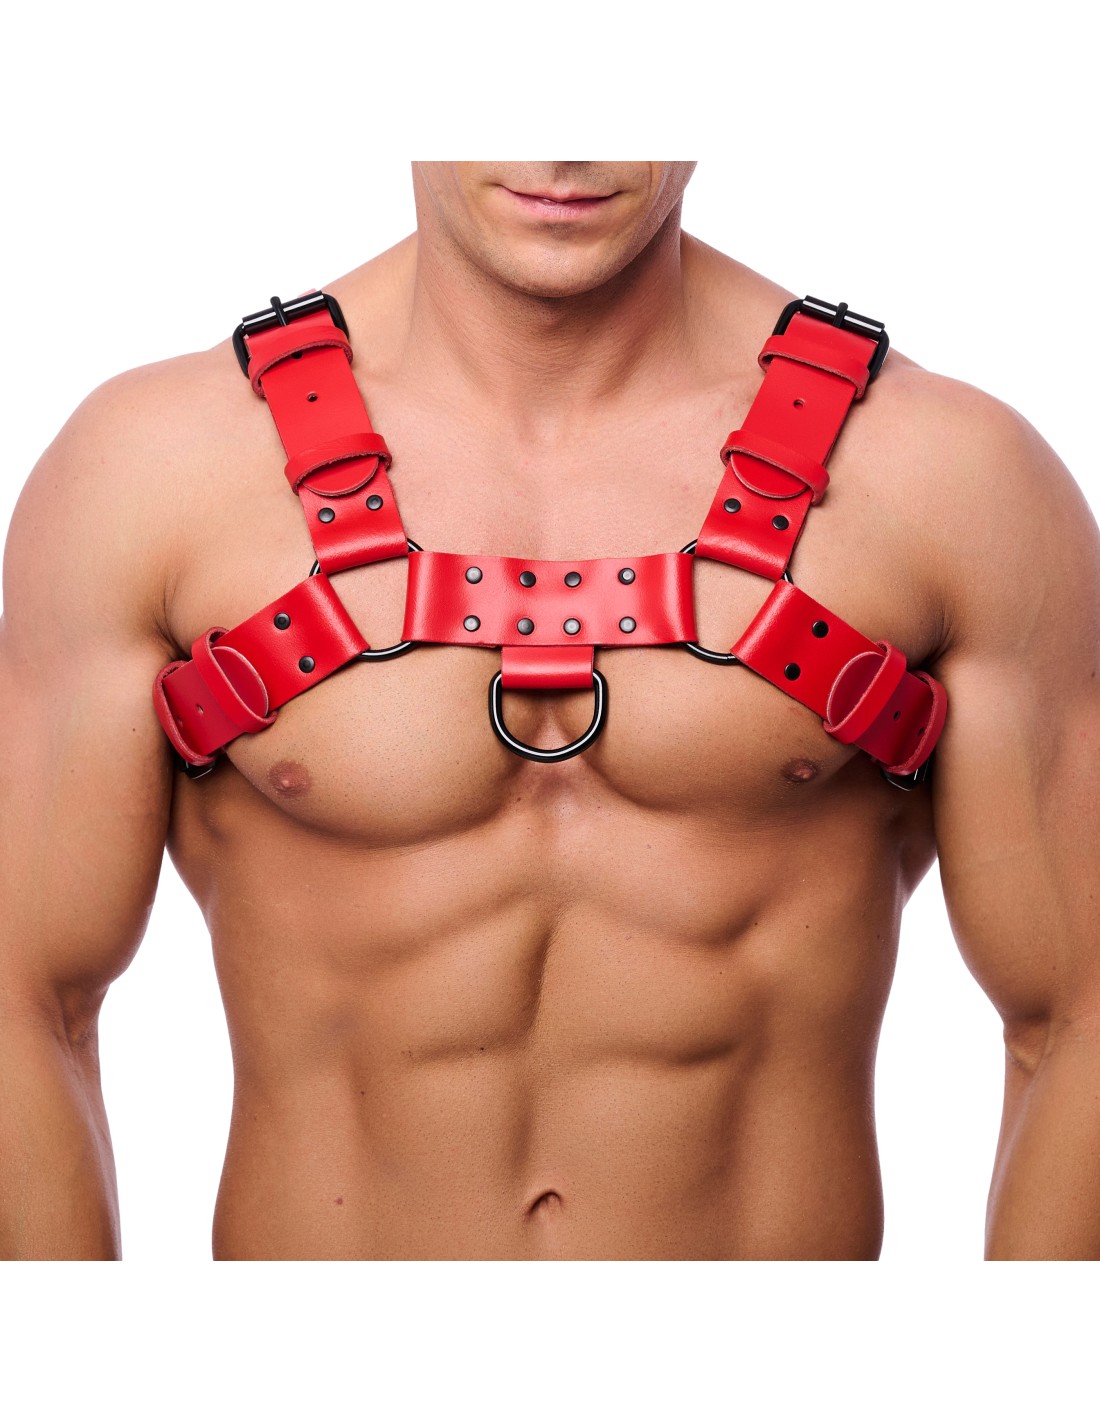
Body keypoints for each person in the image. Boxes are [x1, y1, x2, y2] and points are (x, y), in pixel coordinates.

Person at [1, 162, 1097, 1261]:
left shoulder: (952, 479)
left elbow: (1075, 1018)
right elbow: (27, 1002)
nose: (562, 148)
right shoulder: (152, 470)